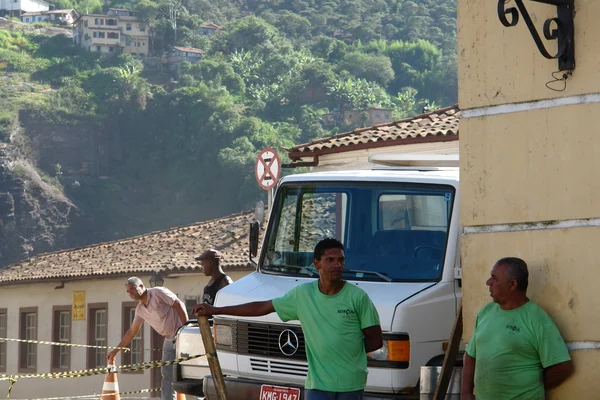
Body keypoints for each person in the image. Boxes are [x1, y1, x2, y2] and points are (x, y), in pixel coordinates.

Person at [192, 238, 383, 400]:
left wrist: (346, 350)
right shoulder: (303, 295)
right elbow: (262, 307)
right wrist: (215, 309)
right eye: (330, 260)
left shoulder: (358, 297)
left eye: (341, 260)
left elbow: (375, 340)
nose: (337, 265)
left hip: (351, 385)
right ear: (317, 263)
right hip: (318, 386)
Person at [461, 257, 574, 400]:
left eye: (494, 278)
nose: (488, 282)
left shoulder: (537, 319)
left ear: (512, 284)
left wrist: (530, 388)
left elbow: (563, 367)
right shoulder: (486, 312)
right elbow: (471, 355)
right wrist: (466, 393)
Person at [107, 277, 188, 400]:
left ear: (141, 286)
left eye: (132, 289)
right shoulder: (139, 310)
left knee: (190, 372)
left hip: (183, 336)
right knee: (167, 376)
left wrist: (185, 329)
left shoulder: (158, 292)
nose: (130, 293)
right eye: (128, 291)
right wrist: (115, 351)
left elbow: (178, 304)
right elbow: (132, 332)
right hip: (168, 341)